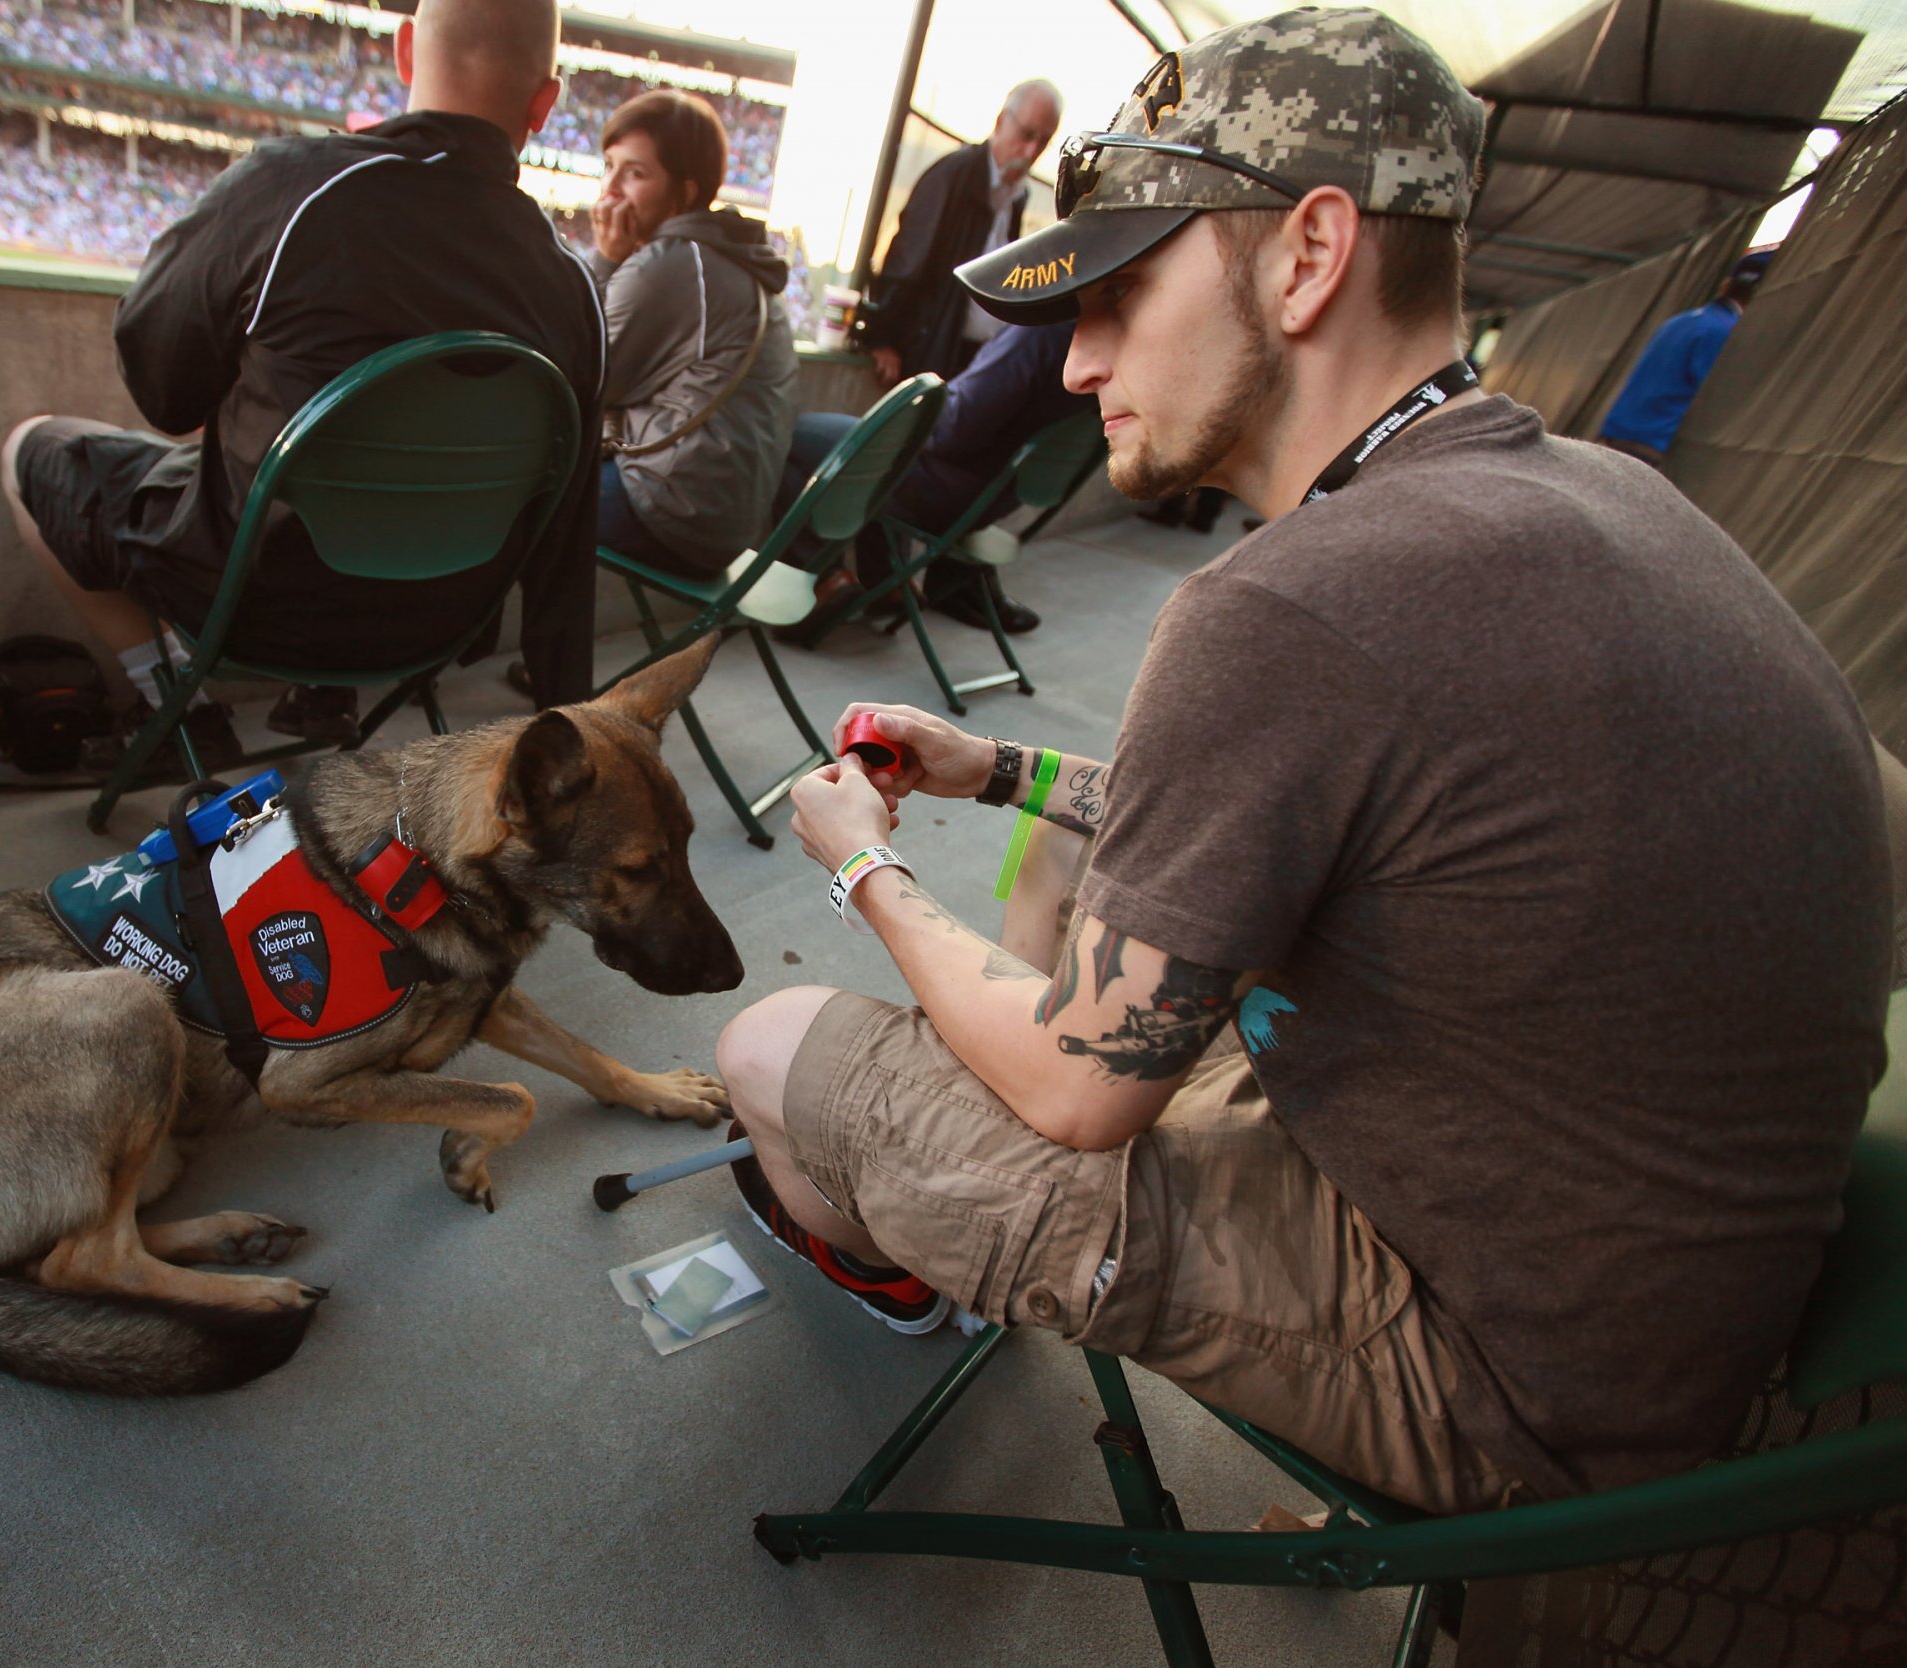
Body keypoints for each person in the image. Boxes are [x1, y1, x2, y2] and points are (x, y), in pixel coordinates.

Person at [712, 7, 1888, 1518]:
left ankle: (922, 1251)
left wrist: (864, 864)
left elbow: (1081, 1097)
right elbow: (1292, 811)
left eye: (1122, 293)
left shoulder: (1286, 609)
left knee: (770, 1047)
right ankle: (979, 1117)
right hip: (1642, 1277)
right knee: (1076, 851)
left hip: (1507, 1380)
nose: (1076, 365)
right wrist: (993, 770)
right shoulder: (1587, 487)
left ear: (1310, 255)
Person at [2, 0, 603, 754]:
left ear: (406, 51)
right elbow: (564, 546)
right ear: (546, 103)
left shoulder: (290, 186)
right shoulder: (574, 290)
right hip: (441, 621)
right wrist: (566, 741)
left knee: (30, 448)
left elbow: (162, 396)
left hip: (254, 597)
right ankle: (322, 695)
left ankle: (181, 722)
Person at [850, 80, 1061, 635]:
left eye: (1042, 140)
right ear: (1001, 122)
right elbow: (907, 258)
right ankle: (888, 584)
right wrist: (881, 336)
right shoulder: (951, 176)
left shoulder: (1014, 196)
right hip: (931, 346)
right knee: (903, 454)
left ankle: (933, 581)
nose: (1030, 149)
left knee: (944, 457)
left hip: (975, 352)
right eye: (1025, 133)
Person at [587, 88, 797, 579]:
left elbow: (585, 375)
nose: (610, 189)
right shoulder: (720, 253)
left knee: (520, 496)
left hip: (674, 514)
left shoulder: (671, 262)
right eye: (609, 165)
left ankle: (554, 658)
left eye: (634, 173)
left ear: (684, 191)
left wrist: (606, 260)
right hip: (721, 521)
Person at [776, 319, 1092, 644]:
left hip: (944, 489)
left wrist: (905, 420)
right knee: (870, 451)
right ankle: (887, 581)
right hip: (990, 499)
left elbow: (952, 428)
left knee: (794, 436)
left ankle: (820, 584)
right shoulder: (1094, 341)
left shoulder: (1039, 333)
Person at [1597, 248, 1773, 466]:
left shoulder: (1682, 321)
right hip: (1651, 447)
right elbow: (1718, 397)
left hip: (1620, 435)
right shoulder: (1724, 332)